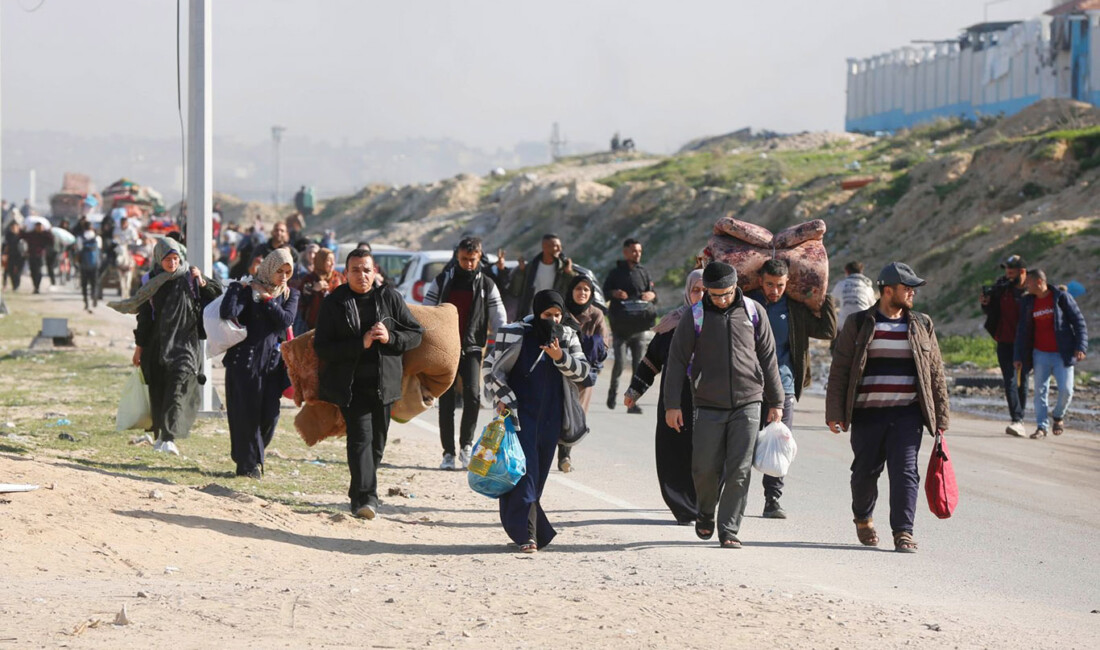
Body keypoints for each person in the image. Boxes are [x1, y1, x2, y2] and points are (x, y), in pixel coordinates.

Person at [826, 262, 950, 554]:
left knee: (906, 472)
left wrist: (941, 417)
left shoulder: (922, 324)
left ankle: (903, 532)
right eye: (907, 289)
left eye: (913, 290)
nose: (912, 294)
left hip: (906, 415)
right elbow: (840, 370)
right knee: (864, 473)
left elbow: (935, 373)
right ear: (887, 290)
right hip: (867, 413)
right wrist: (834, 413)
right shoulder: (858, 324)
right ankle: (863, 517)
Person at [663, 262, 783, 549]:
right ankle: (706, 511)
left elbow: (768, 356)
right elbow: (677, 360)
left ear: (735, 286)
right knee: (704, 468)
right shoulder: (695, 316)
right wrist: (672, 405)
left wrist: (776, 400)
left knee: (739, 469)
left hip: (748, 402)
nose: (720, 299)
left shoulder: (754, 312)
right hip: (707, 403)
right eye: (714, 295)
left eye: (725, 294)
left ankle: (729, 529)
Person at [313, 250, 423, 519]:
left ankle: (358, 493)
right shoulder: (335, 303)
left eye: (366, 269)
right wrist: (358, 344)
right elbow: (322, 348)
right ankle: (367, 499)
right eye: (355, 270)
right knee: (360, 439)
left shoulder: (389, 297)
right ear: (346, 273)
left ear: (374, 272)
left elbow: (416, 334)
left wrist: (391, 337)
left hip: (384, 385)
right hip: (350, 386)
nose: (361, 275)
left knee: (377, 445)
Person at [483, 290, 592, 552]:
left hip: (552, 415)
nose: (553, 320)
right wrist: (502, 397)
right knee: (525, 472)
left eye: (557, 315)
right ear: (537, 313)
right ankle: (528, 535)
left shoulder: (566, 335)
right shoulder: (514, 332)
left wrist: (560, 358)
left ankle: (525, 527)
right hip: (519, 413)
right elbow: (490, 368)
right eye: (547, 315)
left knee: (539, 473)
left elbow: (585, 373)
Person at [111, 238, 222, 455]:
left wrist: (203, 282)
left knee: (177, 388)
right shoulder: (150, 281)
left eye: (175, 258)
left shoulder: (190, 276)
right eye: (167, 259)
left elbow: (217, 296)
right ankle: (160, 436)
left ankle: (169, 437)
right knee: (159, 391)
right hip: (158, 344)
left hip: (186, 345)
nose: (172, 263)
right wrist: (139, 348)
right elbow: (144, 319)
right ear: (158, 259)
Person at [746, 258, 836, 519]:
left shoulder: (794, 308)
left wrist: (822, 298)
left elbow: (828, 330)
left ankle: (772, 500)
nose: (775, 290)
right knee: (742, 443)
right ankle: (731, 496)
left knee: (778, 443)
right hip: (748, 384)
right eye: (770, 284)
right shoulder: (747, 303)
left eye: (780, 285)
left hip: (784, 386)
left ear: (788, 284)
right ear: (760, 281)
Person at [625, 270, 705, 524]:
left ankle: (703, 504)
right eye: (696, 290)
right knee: (674, 452)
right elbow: (652, 360)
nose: (701, 295)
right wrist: (634, 391)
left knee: (709, 454)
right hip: (676, 400)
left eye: (706, 290)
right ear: (687, 292)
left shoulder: (722, 322)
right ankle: (682, 506)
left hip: (710, 402)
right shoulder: (673, 323)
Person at [422, 237, 507, 470]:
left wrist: (502, 344)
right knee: (447, 400)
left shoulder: (487, 284)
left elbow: (499, 316)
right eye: (464, 259)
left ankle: (466, 446)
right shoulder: (443, 280)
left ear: (479, 257)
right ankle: (448, 453)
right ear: (457, 257)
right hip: (445, 348)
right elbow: (428, 311)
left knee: (473, 395)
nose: (468, 264)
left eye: (472, 259)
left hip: (472, 347)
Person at [220, 249, 299, 478]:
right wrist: (237, 288)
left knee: (270, 416)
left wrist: (267, 299)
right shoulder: (248, 290)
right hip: (244, 362)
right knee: (246, 415)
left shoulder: (289, 295)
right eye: (278, 271)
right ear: (267, 269)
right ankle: (247, 465)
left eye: (287, 271)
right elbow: (228, 312)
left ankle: (249, 456)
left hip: (272, 366)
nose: (283, 276)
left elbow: (286, 319)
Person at [1013, 269, 1088, 438]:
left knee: (1067, 390)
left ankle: (1058, 415)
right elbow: (1022, 331)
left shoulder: (1061, 298)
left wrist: (1081, 347)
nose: (1026, 285)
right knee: (1040, 391)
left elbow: (1079, 322)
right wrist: (1018, 356)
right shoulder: (1028, 302)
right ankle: (1041, 426)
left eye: (1029, 282)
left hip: (1063, 354)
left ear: (1039, 282)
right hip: (1040, 354)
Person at [559, 274, 611, 473]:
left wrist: (586, 346)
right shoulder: (561, 312)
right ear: (571, 291)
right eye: (578, 288)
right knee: (557, 412)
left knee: (576, 414)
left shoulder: (596, 314)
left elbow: (604, 345)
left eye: (586, 290)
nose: (582, 293)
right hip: (559, 370)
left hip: (583, 374)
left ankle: (565, 455)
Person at [603, 238, 658, 413]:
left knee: (637, 367)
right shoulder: (615, 273)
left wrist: (651, 295)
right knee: (619, 364)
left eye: (640, 251)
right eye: (634, 251)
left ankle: (632, 403)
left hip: (640, 328)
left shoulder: (644, 272)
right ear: (625, 252)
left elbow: (654, 295)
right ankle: (612, 394)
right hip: (620, 328)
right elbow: (604, 292)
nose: (637, 254)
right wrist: (614, 293)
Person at [981, 255, 1030, 437]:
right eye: (1007, 271)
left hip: (1025, 343)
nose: (1008, 275)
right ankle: (1017, 419)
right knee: (1009, 380)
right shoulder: (1002, 287)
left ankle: (1020, 417)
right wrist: (985, 303)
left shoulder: (1030, 289)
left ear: (1022, 272)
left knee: (1022, 380)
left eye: (1012, 271)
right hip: (1004, 340)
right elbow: (991, 309)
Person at [505, 233, 576, 319]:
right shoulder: (531, 267)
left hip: (554, 316)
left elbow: (573, 290)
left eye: (560, 246)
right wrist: (521, 272)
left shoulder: (562, 269)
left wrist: (569, 273)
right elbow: (515, 291)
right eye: (556, 246)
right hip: (531, 315)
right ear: (545, 247)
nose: (559, 249)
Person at [831, 261, 876, 350]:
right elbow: (873, 306)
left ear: (846, 272)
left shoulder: (841, 284)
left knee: (835, 345)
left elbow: (831, 301)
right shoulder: (867, 286)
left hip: (844, 324)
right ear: (861, 272)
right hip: (863, 324)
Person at [298, 248, 344, 331]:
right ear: (320, 261)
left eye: (333, 260)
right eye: (329, 260)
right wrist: (314, 289)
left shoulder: (339, 278)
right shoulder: (309, 279)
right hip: (312, 327)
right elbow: (301, 300)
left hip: (336, 325)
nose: (332, 263)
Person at [20, 222, 53, 294]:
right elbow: (22, 236)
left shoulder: (45, 235)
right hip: (31, 255)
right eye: (37, 226)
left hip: (40, 255)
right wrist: (23, 229)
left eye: (40, 227)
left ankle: (37, 286)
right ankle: (35, 286)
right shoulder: (31, 234)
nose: (39, 228)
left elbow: (51, 240)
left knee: (39, 271)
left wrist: (49, 231)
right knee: (33, 272)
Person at [76, 221, 102, 312]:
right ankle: (94, 297)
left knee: (84, 284)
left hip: (84, 265)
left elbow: (79, 250)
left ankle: (86, 302)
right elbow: (99, 250)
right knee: (94, 282)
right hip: (95, 265)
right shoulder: (97, 237)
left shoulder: (80, 238)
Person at [2, 221, 24, 291]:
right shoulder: (8, 235)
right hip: (11, 255)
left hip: (20, 256)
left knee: (18, 271)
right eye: (13, 227)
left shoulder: (22, 235)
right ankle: (14, 286)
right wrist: (4, 254)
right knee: (11, 271)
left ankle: (17, 285)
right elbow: (5, 245)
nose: (14, 228)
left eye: (15, 227)